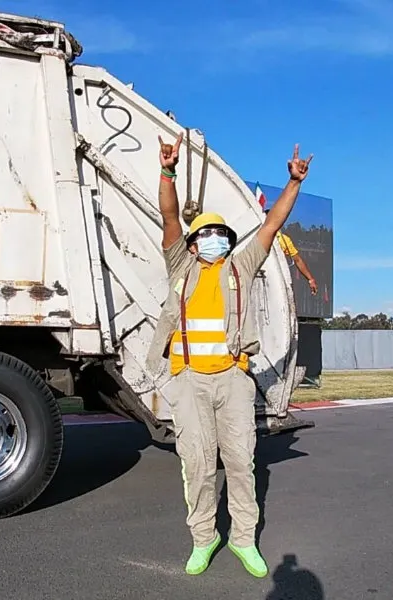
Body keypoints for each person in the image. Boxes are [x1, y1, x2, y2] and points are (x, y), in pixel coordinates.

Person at [146, 132, 313, 578]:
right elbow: (168, 218)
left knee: (241, 462)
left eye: (222, 234)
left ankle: (242, 539)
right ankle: (204, 539)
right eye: (208, 235)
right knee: (197, 464)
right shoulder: (181, 266)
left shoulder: (239, 267)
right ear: (194, 244)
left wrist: (293, 184)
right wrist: (168, 171)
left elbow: (271, 226)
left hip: (234, 380)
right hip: (189, 382)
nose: (216, 239)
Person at [265, 211, 318, 296]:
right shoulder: (257, 235)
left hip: (274, 279)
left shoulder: (285, 240)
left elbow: (297, 260)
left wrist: (310, 279)